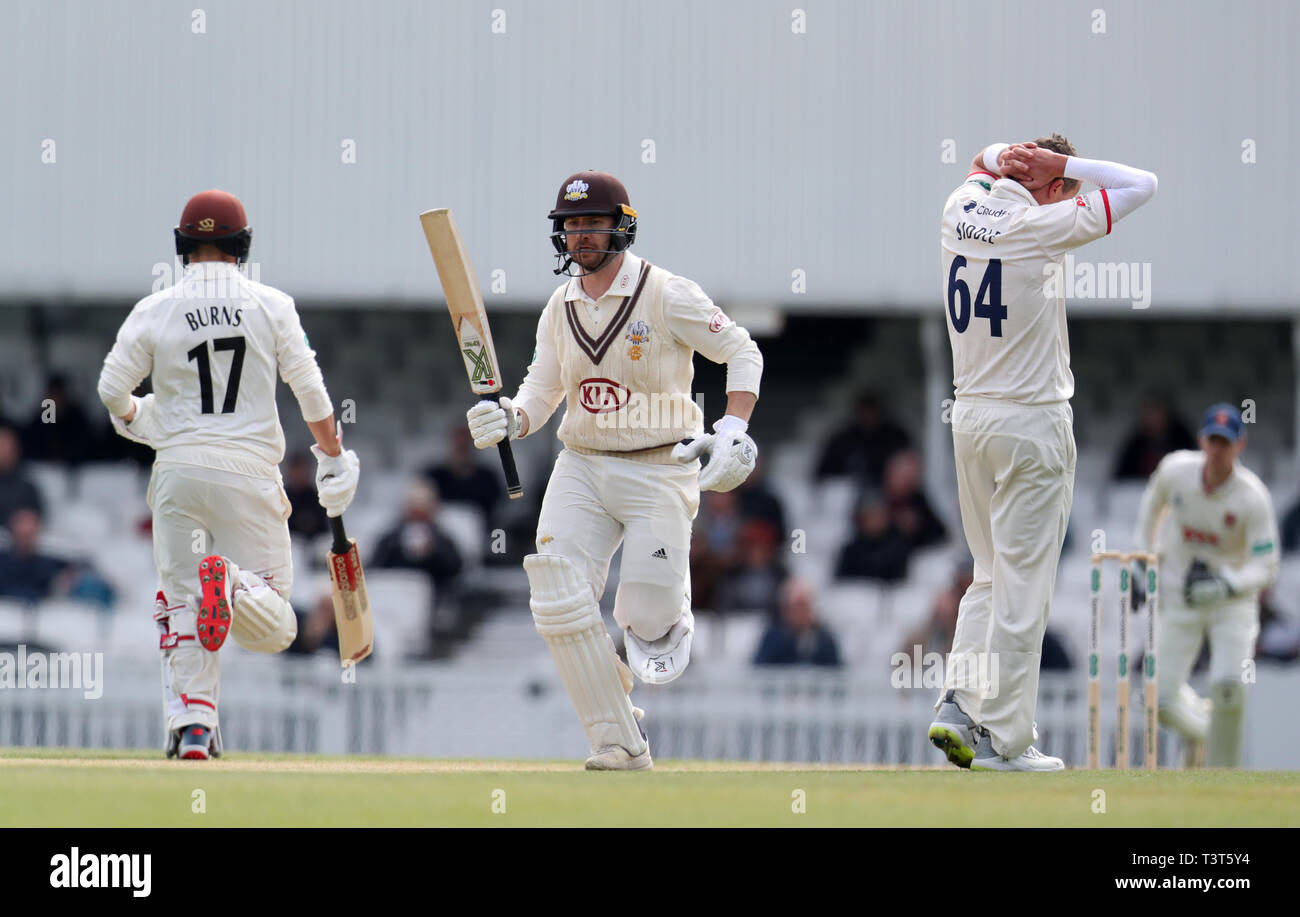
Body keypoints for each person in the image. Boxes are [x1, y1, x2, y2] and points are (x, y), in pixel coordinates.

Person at [465, 170, 763, 770]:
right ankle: (618, 742)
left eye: (592, 223)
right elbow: (541, 394)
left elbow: (741, 349)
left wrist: (733, 425)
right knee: (555, 598)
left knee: (647, 622)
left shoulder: (666, 292)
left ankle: (666, 608)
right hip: (583, 465)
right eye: (570, 225)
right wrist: (511, 420)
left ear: (620, 225)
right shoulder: (561, 304)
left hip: (661, 466)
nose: (580, 236)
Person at [97, 189, 359, 760]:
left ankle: (194, 727)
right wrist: (334, 456)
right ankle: (237, 585)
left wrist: (140, 421)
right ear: (243, 246)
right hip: (248, 472)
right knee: (277, 625)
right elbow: (310, 391)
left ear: (181, 245)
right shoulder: (272, 304)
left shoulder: (155, 308)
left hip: (178, 472)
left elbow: (112, 390)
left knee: (183, 602)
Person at [929, 136, 1157, 772]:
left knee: (987, 573)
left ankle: (958, 702)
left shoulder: (960, 206)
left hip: (968, 418)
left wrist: (1010, 154)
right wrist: (1065, 167)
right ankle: (1005, 741)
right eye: (1067, 185)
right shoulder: (1042, 225)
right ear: (1053, 185)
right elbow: (1143, 182)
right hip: (1031, 422)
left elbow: (980, 157)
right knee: (1025, 588)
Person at [1133, 403, 1278, 767]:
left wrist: (1229, 582)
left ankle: (1221, 776)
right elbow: (1150, 511)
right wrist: (1142, 560)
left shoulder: (1252, 497)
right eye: (1212, 441)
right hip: (1181, 596)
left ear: (1239, 446)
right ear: (1201, 440)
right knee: (1160, 702)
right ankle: (1204, 735)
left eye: (1225, 443)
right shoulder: (1175, 471)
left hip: (1232, 603)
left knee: (1229, 687)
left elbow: (1267, 564)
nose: (1217, 450)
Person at [814, 391, 911, 486]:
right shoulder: (843, 440)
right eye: (865, 411)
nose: (869, 417)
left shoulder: (895, 437)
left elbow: (908, 469)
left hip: (888, 495)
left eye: (872, 411)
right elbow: (823, 474)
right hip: (849, 494)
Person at [753, 578, 840, 668]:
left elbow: (837, 671)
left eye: (805, 606)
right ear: (785, 608)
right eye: (797, 606)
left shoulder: (825, 639)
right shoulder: (772, 638)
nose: (801, 612)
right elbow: (759, 669)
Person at [1113, 395, 1196, 481]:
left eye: (1158, 411)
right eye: (1150, 412)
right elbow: (1122, 476)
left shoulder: (1182, 438)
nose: (1154, 417)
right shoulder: (1136, 443)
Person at [0, 425, 44, 528]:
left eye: (7, 450)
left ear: (16, 452)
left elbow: (34, 522)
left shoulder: (27, 489)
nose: (3, 454)